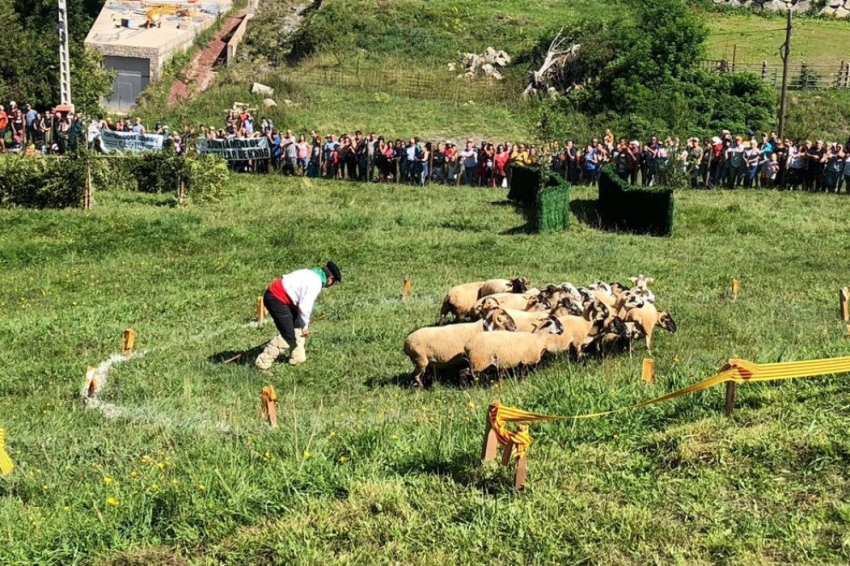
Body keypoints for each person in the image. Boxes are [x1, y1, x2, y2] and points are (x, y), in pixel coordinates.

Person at [255, 262, 342, 375]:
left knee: (297, 325)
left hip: (279, 297)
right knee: (288, 335)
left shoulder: (309, 273)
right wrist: (305, 327)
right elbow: (304, 307)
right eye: (334, 283)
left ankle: (297, 357)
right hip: (276, 298)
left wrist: (302, 324)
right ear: (330, 279)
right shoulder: (315, 283)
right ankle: (262, 364)